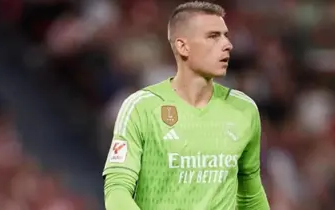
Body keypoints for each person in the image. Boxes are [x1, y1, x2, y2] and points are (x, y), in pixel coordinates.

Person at [103, 1, 270, 210]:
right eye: (213, 36)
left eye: (225, 35)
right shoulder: (141, 107)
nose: (227, 44)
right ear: (183, 46)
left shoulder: (244, 109)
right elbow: (117, 188)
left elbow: (250, 195)